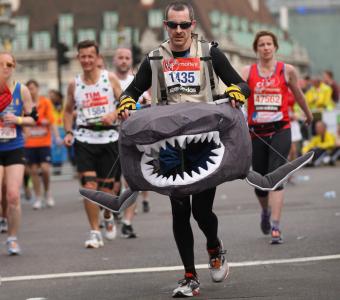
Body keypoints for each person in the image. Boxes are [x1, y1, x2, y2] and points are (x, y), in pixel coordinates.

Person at [117, 1, 249, 297]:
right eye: (172, 25)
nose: (178, 31)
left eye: (184, 25)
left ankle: (214, 246)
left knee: (202, 211)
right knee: (179, 210)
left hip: (203, 142)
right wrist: (125, 101)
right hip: (169, 144)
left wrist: (236, 92)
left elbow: (242, 84)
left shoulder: (210, 53)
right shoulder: (154, 58)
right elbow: (132, 91)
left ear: (193, 25)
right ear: (166, 26)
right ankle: (190, 277)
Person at [241, 30, 313, 245]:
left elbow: (298, 94)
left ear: (275, 47)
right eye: (261, 44)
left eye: (269, 44)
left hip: (281, 128)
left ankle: (275, 225)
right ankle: (265, 211)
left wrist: (308, 114)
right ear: (256, 49)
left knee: (277, 174)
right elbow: (236, 91)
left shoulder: (286, 70)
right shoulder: (247, 71)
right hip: (256, 131)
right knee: (260, 181)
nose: (265, 47)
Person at [63, 40, 122, 248]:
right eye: (83, 56)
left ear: (97, 58)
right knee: (89, 187)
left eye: (90, 56)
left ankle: (107, 215)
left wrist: (113, 114)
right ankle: (94, 232)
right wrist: (69, 131)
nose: (86, 60)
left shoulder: (110, 79)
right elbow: (68, 110)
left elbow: (126, 104)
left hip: (109, 140)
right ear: (78, 58)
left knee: (107, 192)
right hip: (85, 139)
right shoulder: (74, 84)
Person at [113, 47, 151, 239]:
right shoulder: (108, 80)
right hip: (111, 137)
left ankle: (127, 221)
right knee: (113, 183)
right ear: (114, 60)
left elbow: (150, 105)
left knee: (132, 181)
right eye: (120, 57)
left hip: (134, 137)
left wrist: (144, 102)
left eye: (127, 58)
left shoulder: (138, 81)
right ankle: (113, 212)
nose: (124, 61)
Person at [0, 52, 36, 254]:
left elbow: (33, 118)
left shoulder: (21, 90)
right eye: (2, 64)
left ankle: (12, 238)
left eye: (10, 64)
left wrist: (18, 120)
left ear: (14, 67)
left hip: (14, 147)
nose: (6, 68)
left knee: (13, 195)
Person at [24, 80, 61, 209]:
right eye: (28, 88)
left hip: (44, 141)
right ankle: (38, 197)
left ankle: (47, 192)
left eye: (32, 88)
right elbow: (24, 121)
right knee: (33, 171)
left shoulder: (45, 102)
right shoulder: (25, 105)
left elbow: (51, 121)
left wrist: (57, 137)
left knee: (45, 169)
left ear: (38, 89)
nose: (30, 90)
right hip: (30, 142)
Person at [49, 89, 68, 175]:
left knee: (61, 149)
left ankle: (59, 166)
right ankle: (55, 166)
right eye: (50, 96)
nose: (51, 97)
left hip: (62, 128)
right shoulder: (49, 105)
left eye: (53, 96)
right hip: (53, 128)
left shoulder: (64, 105)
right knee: (53, 149)